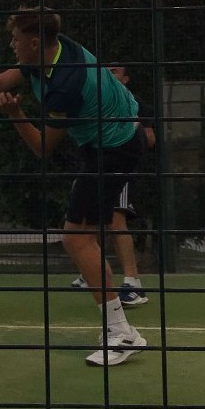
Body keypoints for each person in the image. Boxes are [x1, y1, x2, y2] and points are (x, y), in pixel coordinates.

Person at [0, 8, 147, 367]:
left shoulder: (65, 85)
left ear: (35, 43)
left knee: (76, 239)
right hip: (108, 138)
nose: (12, 45)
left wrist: (15, 115)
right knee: (83, 236)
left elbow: (42, 147)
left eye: (16, 40)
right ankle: (117, 325)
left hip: (114, 148)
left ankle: (121, 333)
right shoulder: (52, 51)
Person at [72, 64, 155, 307]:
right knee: (90, 218)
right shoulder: (99, 100)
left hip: (119, 166)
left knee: (116, 220)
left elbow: (149, 139)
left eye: (115, 71)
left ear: (126, 79)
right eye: (107, 70)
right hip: (97, 165)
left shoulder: (133, 103)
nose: (110, 74)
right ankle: (92, 272)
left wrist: (126, 134)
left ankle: (133, 283)